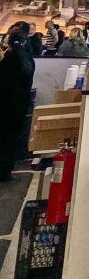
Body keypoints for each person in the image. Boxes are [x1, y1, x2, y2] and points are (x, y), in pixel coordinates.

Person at [0, 23, 35, 181]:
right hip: (21, 103)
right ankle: (6, 171)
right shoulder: (27, 59)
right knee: (12, 138)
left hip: (5, 103)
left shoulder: (8, 60)